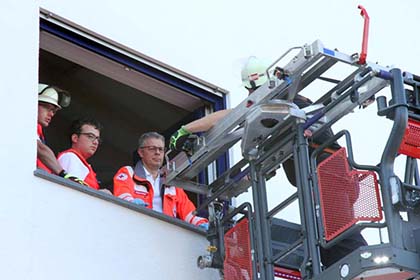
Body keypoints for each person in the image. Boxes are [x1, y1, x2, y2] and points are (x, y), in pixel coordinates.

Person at [169, 57, 366, 267]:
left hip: (328, 173)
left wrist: (187, 129)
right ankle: (340, 265)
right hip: (322, 176)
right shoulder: (281, 106)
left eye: (254, 91)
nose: (251, 96)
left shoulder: (286, 102)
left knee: (338, 228)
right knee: (325, 233)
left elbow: (230, 115)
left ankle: (363, 262)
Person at [113, 132, 209, 229]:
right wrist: (131, 204)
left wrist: (200, 223)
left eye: (161, 149)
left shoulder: (170, 181)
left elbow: (187, 211)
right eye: (152, 148)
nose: (157, 152)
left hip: (165, 235)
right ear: (141, 152)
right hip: (136, 229)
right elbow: (122, 195)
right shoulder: (128, 172)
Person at [57, 118, 111, 193]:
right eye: (90, 136)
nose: (95, 142)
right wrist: (99, 194)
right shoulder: (71, 157)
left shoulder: (79, 161)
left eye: (97, 139)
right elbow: (72, 191)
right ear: (75, 138)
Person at [37, 83, 70, 175]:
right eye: (47, 108)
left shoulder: (38, 131)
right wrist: (63, 174)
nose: (51, 114)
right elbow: (40, 149)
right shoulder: (25, 125)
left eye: (53, 111)